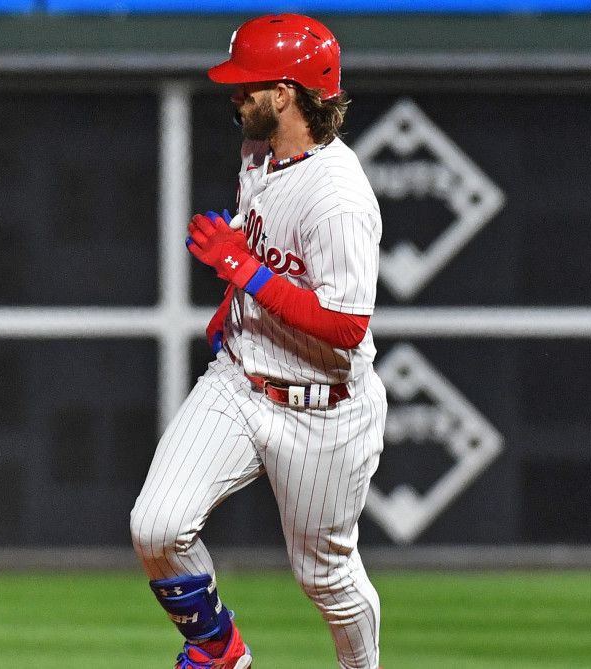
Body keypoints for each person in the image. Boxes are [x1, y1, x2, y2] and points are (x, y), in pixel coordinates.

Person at [129, 15, 387, 669]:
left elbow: (345, 324)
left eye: (248, 85)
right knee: (157, 525)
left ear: (289, 92)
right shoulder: (261, 153)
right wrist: (236, 293)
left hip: (322, 409)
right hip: (242, 379)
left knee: (325, 578)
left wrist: (244, 270)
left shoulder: (340, 198)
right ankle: (219, 650)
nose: (234, 95)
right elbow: (267, 247)